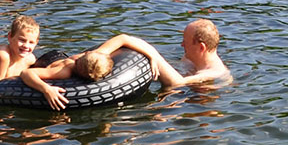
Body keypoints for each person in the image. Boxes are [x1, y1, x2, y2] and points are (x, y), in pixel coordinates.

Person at [21, 19, 229, 111]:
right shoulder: (190, 59)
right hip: (51, 63)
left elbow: (178, 83)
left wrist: (153, 57)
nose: (181, 44)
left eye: (185, 40)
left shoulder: (215, 73)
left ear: (201, 47)